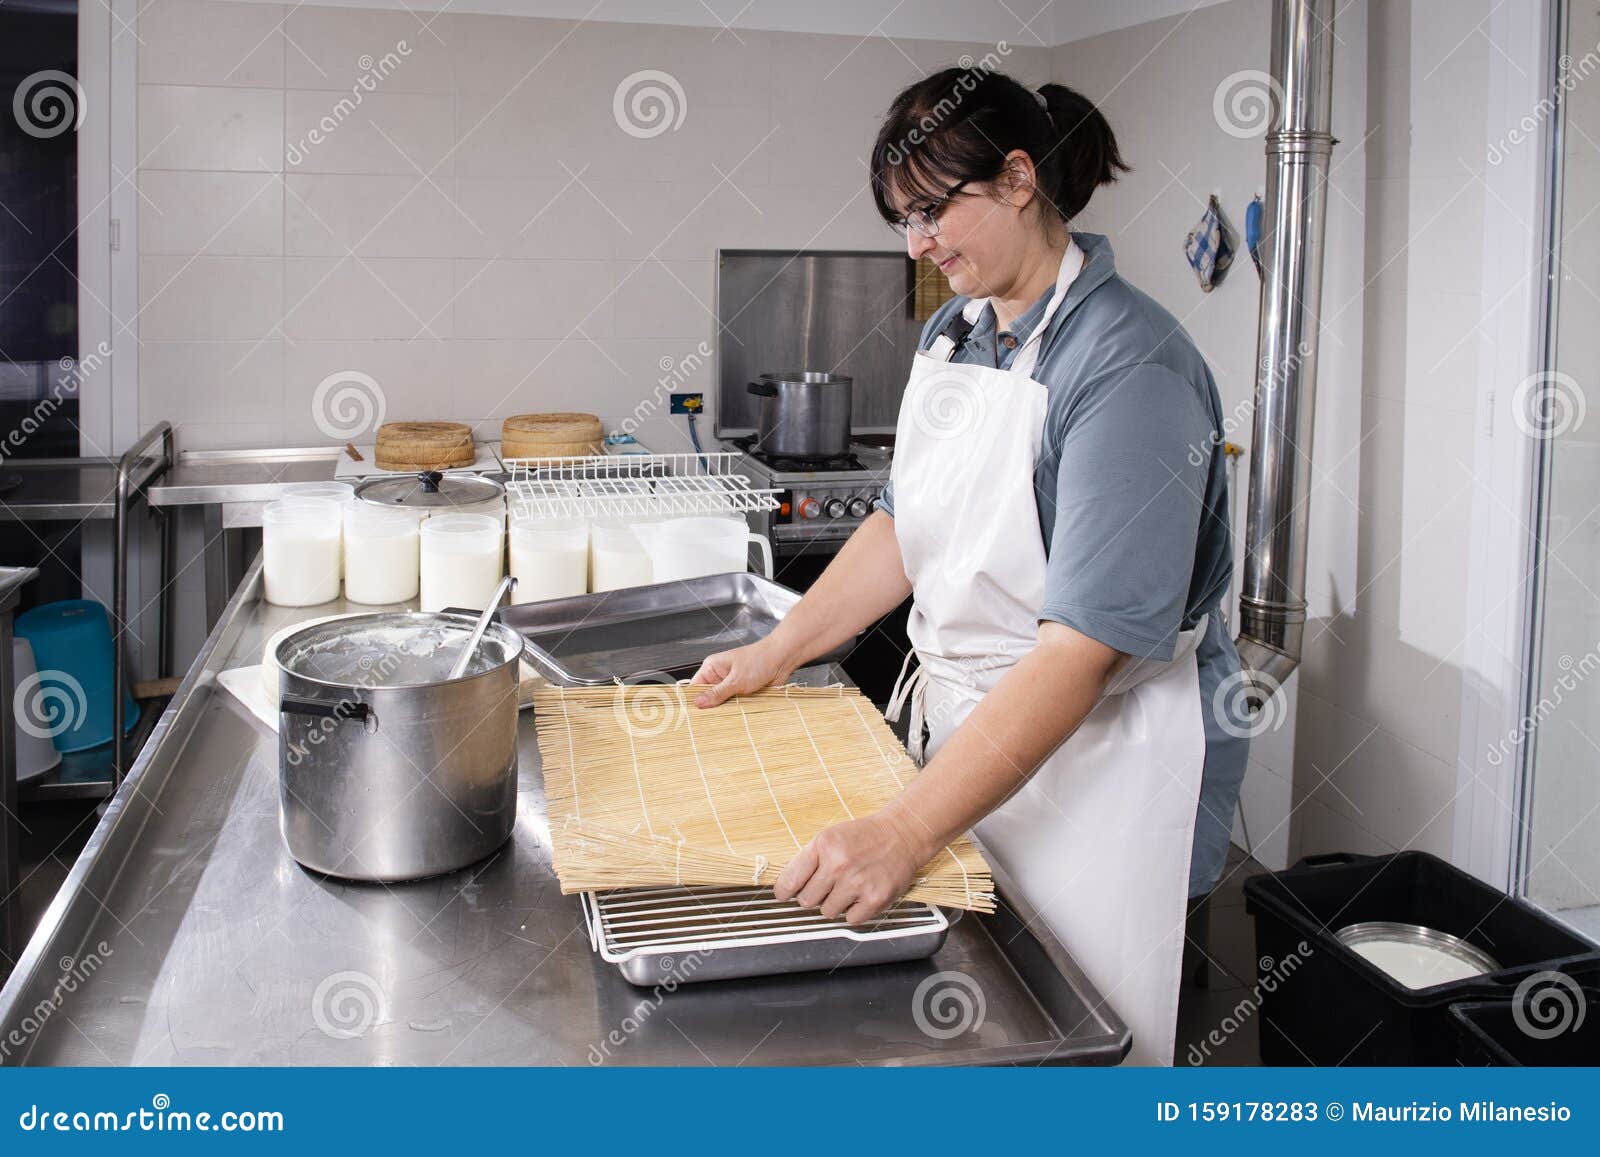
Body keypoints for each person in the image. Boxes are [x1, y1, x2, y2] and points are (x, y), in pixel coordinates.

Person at [689, 67, 1245, 1066]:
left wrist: (904, 826)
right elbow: (907, 530)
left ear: (1020, 178)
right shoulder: (961, 331)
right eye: (904, 221)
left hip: (1097, 759)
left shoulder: (1128, 369)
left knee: (1077, 1031)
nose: (919, 245)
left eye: (934, 210)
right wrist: (775, 651)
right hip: (970, 740)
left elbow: (1079, 654)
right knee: (977, 1024)